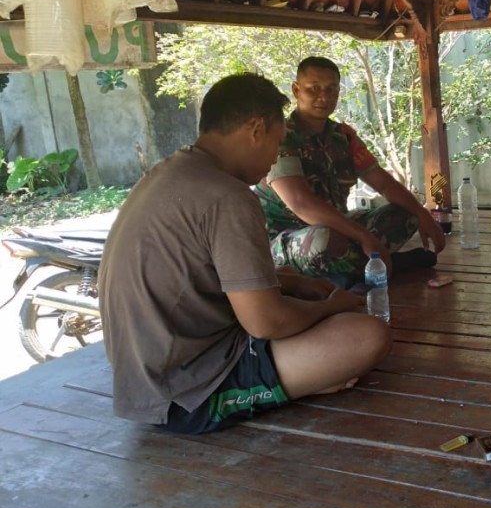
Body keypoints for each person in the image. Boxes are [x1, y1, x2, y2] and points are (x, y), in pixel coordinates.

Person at [98, 74, 391, 434]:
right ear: (255, 129)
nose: (276, 158)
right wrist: (334, 306)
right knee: (365, 335)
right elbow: (265, 322)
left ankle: (295, 378)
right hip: (189, 393)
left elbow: (203, 277)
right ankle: (285, 386)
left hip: (146, 379)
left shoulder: (169, 172)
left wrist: (288, 283)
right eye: (277, 143)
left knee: (323, 325)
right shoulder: (228, 196)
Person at [254, 55, 446, 285]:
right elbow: (301, 203)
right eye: (313, 89)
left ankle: (359, 270)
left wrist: (422, 213)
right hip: (288, 238)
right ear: (296, 90)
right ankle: (376, 266)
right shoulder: (282, 136)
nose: (324, 97)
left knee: (405, 213)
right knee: (325, 239)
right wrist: (364, 236)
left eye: (331, 89)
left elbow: (383, 184)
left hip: (338, 227)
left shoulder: (343, 136)